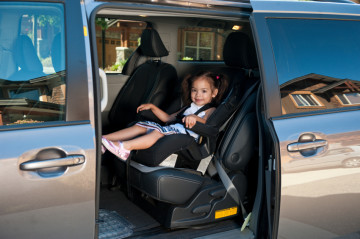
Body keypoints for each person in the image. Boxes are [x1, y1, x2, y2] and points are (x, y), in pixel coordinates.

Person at [102, 71, 228, 161]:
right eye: (194, 90)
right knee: (141, 125)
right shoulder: (188, 107)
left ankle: (124, 147)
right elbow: (168, 119)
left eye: (204, 91)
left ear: (214, 93)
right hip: (172, 130)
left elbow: (207, 123)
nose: (198, 95)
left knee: (157, 132)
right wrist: (153, 107)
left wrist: (195, 119)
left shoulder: (211, 109)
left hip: (186, 137)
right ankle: (104, 140)